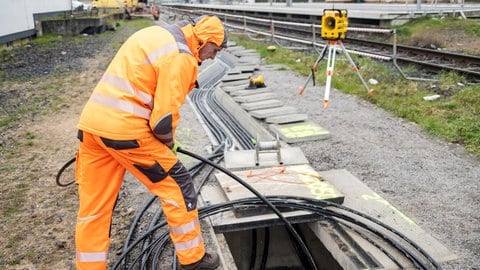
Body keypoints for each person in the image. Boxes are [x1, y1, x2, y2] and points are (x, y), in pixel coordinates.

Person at [74, 15, 227, 270]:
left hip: (92, 128)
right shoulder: (181, 55)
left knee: (95, 208)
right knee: (179, 186)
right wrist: (167, 144)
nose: (212, 57)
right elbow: (162, 121)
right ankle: (193, 259)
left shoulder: (154, 35)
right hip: (126, 132)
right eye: (215, 49)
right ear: (204, 40)